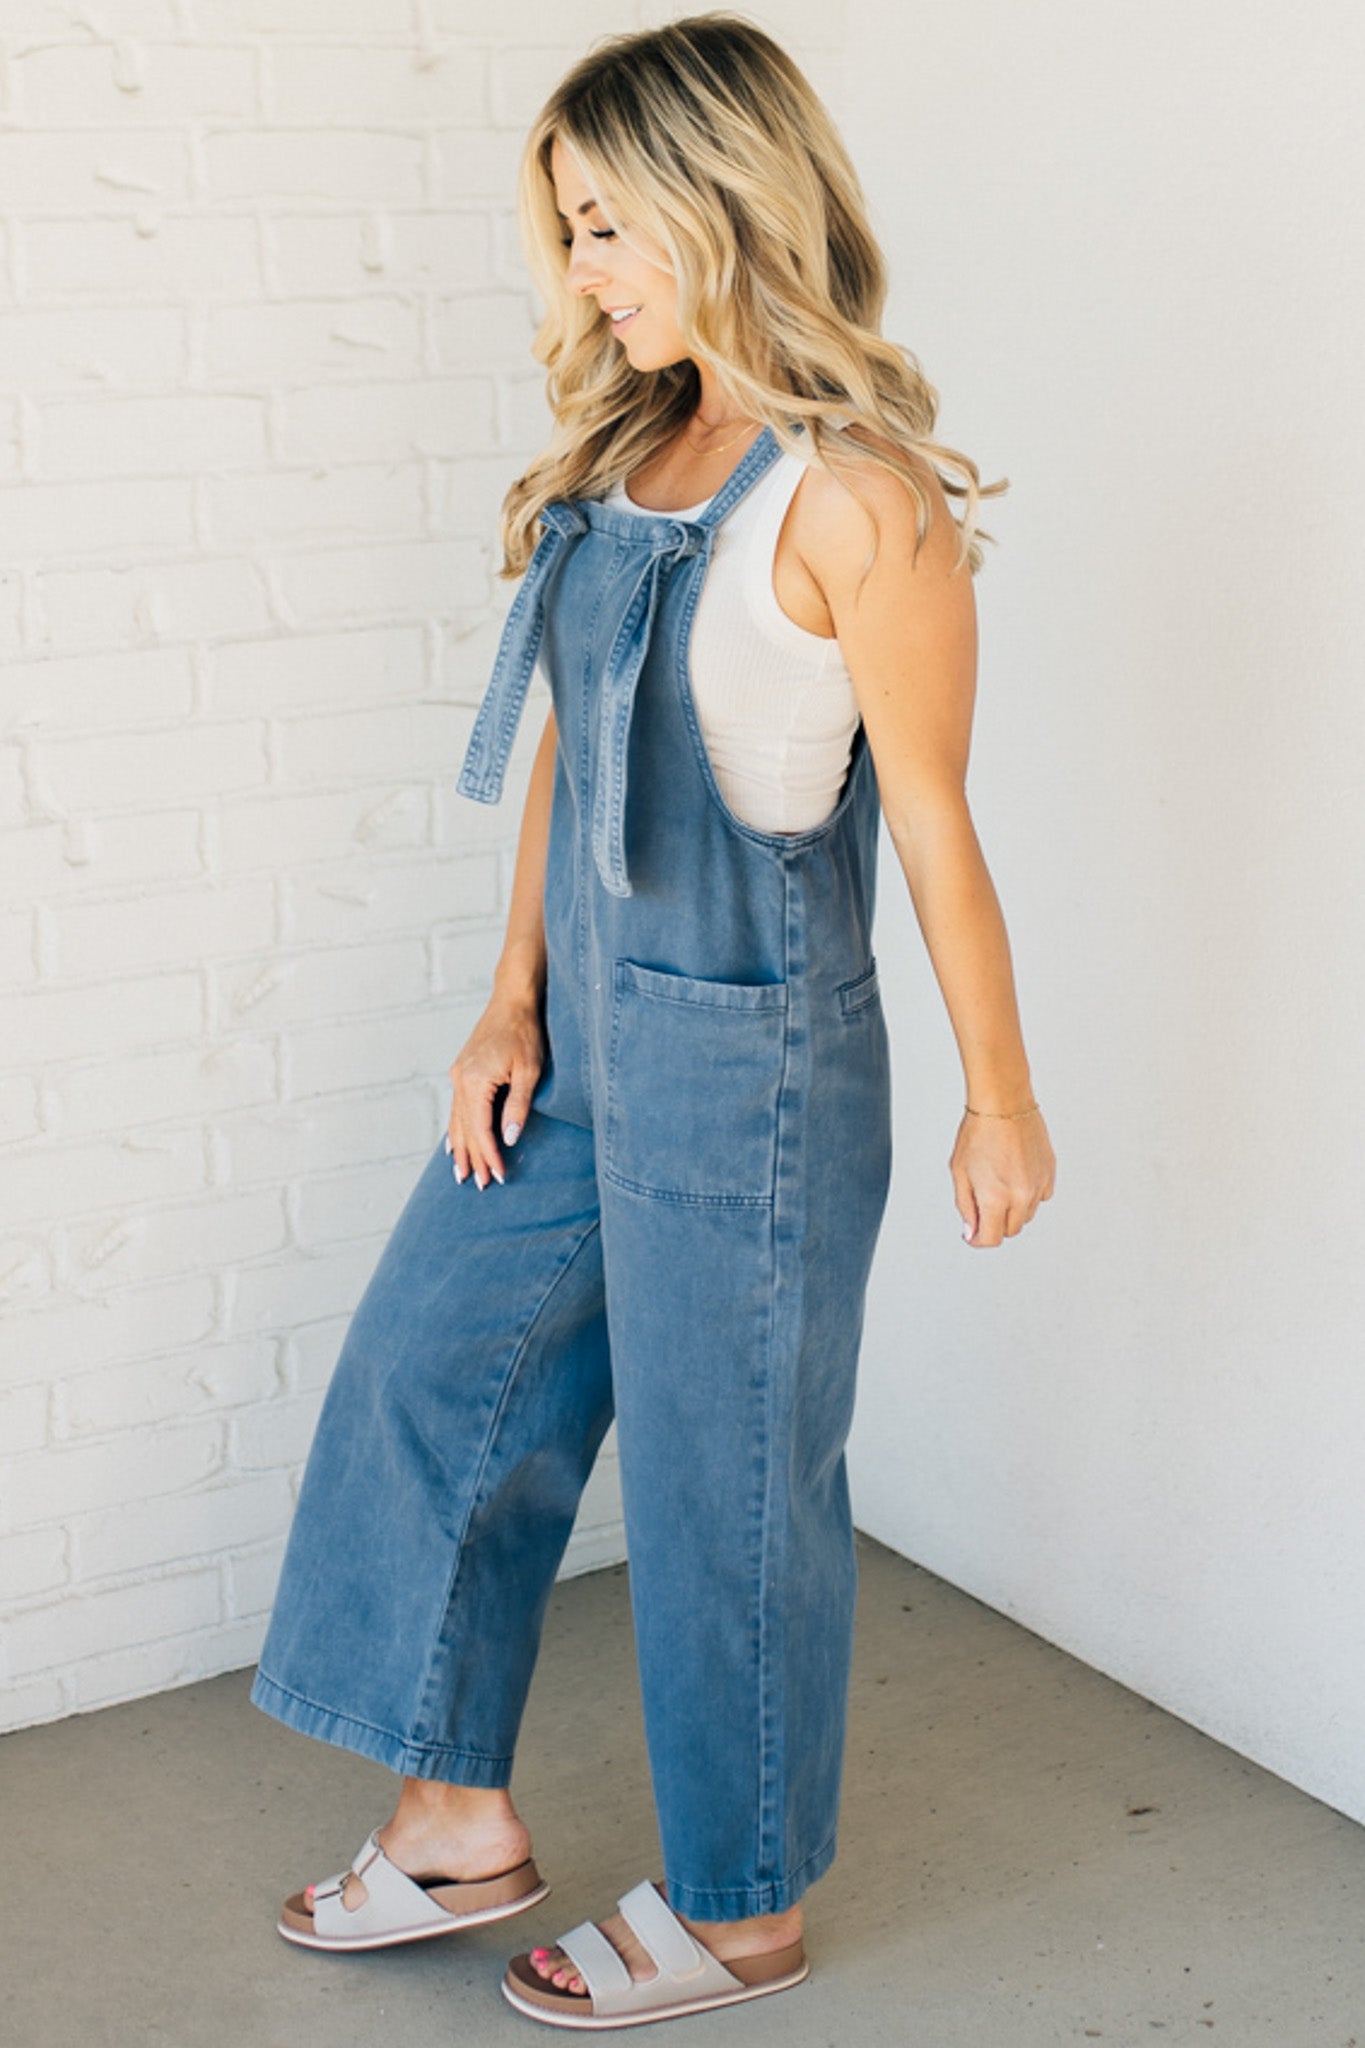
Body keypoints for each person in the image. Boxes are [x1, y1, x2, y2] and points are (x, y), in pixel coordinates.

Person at [250, 10, 1056, 2031]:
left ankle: (743, 1904)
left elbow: (938, 824)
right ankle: (452, 1816)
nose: (582, 272)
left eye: (606, 226)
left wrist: (1000, 1094)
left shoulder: (858, 500)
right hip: (590, 1035)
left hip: (757, 1057)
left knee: (723, 1482)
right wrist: (504, 995)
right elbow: (559, 754)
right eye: (571, 232)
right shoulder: (634, 452)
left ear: (720, 198)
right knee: (434, 1372)